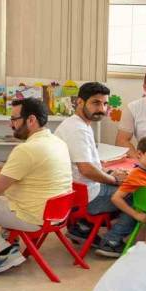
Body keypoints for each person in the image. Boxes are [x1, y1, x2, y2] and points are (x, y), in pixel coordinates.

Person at [0, 97, 73, 274]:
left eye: (14, 119)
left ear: (31, 120)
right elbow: (31, 168)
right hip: (56, 214)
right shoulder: (57, 142)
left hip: (31, 216)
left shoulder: (26, 150)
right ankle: (6, 239)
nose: (11, 124)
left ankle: (4, 252)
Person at [55, 82, 129, 241]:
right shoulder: (78, 129)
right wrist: (114, 180)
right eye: (96, 103)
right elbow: (86, 169)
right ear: (79, 102)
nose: (102, 109)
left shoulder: (78, 124)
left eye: (105, 104)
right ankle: (112, 240)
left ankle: (82, 227)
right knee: (134, 194)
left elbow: (87, 165)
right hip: (85, 197)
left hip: (77, 190)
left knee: (124, 181)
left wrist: (110, 173)